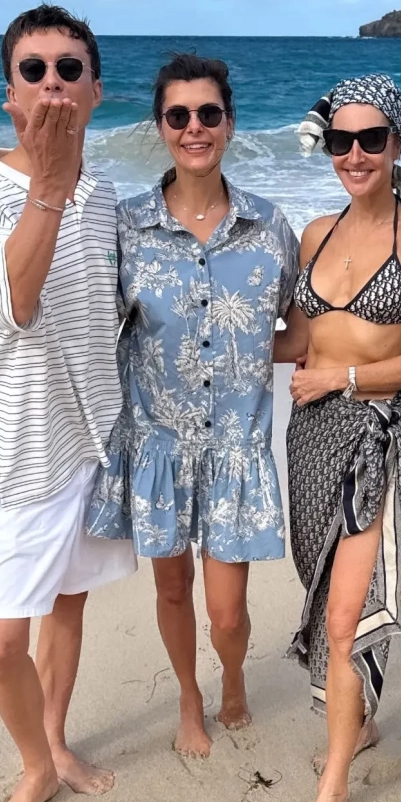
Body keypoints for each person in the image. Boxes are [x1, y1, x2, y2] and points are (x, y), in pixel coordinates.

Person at [0, 5, 137, 802]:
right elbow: (14, 304)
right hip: (11, 451)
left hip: (90, 437)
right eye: (34, 70)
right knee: (1, 644)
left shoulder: (105, 198)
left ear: (95, 92)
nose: (53, 83)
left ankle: (55, 740)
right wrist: (50, 188)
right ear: (10, 95)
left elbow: (122, 312)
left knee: (68, 598)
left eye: (70, 69)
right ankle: (34, 768)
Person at [87, 54, 299, 759]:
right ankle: (188, 695)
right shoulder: (127, 226)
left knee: (228, 613)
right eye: (178, 115)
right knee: (173, 589)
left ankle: (232, 675)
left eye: (208, 113)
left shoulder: (270, 227)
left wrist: (252, 357)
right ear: (160, 127)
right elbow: (97, 327)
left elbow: (301, 327)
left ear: (229, 123)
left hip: (236, 447)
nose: (194, 127)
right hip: (159, 446)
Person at [276, 75, 401, 802]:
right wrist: (207, 335)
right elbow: (299, 341)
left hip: (379, 439)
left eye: (370, 139)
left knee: (348, 616)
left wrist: (343, 380)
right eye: (341, 140)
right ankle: (364, 719)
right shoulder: (315, 233)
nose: (354, 154)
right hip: (309, 439)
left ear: (396, 143)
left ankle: (334, 789)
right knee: (322, 595)